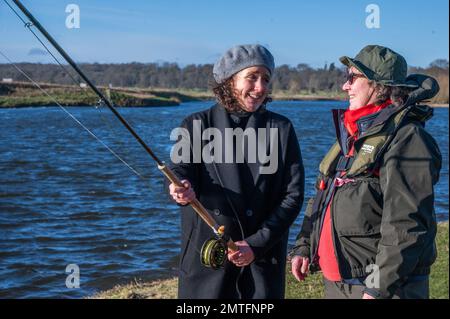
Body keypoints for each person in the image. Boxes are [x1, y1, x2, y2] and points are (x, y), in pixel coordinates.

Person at [290, 45, 442, 299]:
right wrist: (304, 246)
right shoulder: (354, 134)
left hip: (383, 288)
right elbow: (322, 196)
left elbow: (406, 223)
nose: (345, 86)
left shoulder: (407, 138)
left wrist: (378, 287)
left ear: (379, 85)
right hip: (339, 283)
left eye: (352, 78)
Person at [168, 44, 304, 299]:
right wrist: (180, 187)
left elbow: (293, 196)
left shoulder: (282, 128)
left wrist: (257, 244)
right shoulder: (195, 124)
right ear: (229, 80)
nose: (260, 87)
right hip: (207, 262)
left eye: (265, 79)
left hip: (262, 261)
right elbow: (180, 169)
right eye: (252, 77)